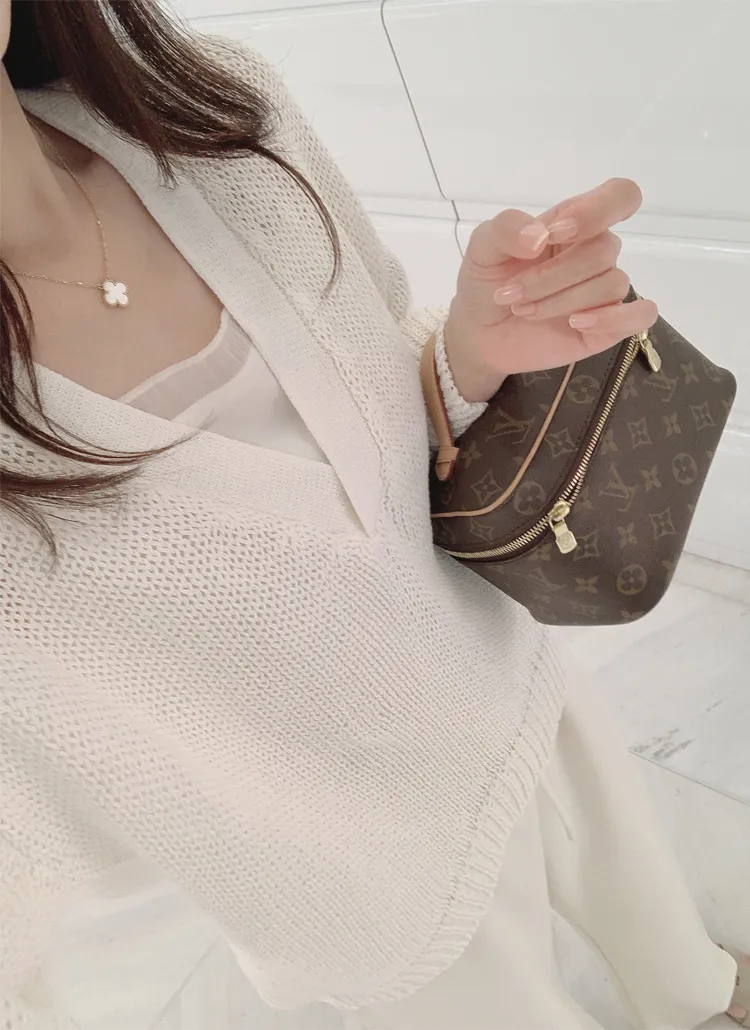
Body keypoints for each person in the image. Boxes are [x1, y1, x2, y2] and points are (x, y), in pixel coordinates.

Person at [0, 2, 746, 1028]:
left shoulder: (213, 120)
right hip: (353, 874)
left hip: (512, 675)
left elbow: (387, 371)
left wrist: (473, 354)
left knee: (664, 938)